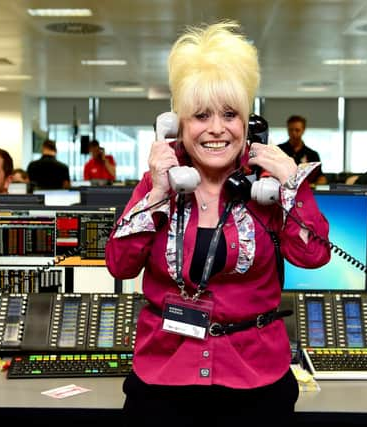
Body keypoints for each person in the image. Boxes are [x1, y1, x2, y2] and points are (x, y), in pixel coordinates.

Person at [105, 21, 330, 427]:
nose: (215, 128)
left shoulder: (267, 187)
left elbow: (313, 255)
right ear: (177, 125)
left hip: (256, 378)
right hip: (164, 376)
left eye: (230, 114)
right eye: (200, 115)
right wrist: (156, 193)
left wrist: (292, 183)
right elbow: (120, 266)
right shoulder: (160, 184)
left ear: (249, 123)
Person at [277, 115, 327, 185]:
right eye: (291, 130)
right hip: (281, 190)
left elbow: (320, 177)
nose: (294, 133)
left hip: (305, 192)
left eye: (297, 130)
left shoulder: (312, 154)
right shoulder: (278, 151)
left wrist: (318, 183)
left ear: (303, 130)